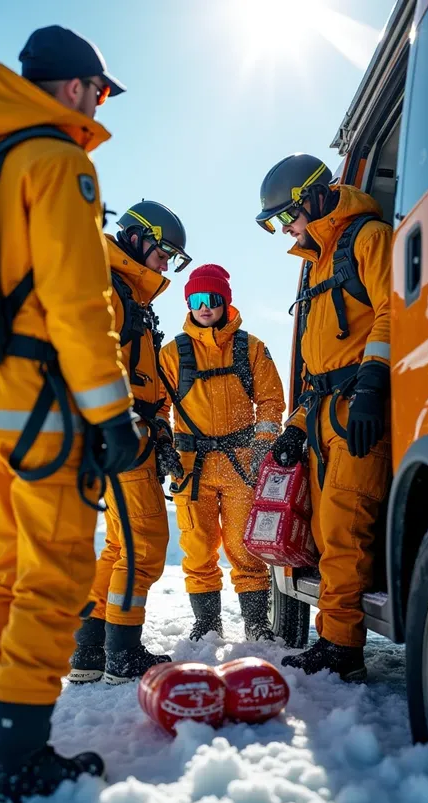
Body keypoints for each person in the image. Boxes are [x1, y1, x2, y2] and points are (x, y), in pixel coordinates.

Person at [0, 25, 140, 803]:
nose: (100, 105)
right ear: (74, 87)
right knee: (58, 575)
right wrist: (113, 412)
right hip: (42, 406)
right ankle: (17, 764)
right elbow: (77, 305)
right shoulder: (60, 163)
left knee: (11, 572)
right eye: (100, 91)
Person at [256, 153, 392, 682]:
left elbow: (391, 311)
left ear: (312, 198)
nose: (284, 229)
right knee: (320, 528)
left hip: (361, 407)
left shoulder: (369, 237)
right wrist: (293, 429)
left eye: (285, 216)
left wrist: (373, 390)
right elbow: (315, 363)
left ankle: (341, 650)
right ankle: (331, 638)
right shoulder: (317, 259)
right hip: (321, 414)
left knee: (343, 528)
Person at [69, 200, 191, 685]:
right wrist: (122, 424)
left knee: (119, 545)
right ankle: (122, 652)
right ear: (139, 240)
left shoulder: (128, 292)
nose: (167, 265)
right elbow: (93, 359)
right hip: (121, 432)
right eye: (165, 254)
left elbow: (142, 376)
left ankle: (89, 651)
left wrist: (158, 425)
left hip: (129, 431)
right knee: (145, 545)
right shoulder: (110, 287)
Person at [159, 264, 285, 641]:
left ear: (225, 302)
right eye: (196, 299)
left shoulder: (251, 348)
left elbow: (270, 400)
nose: (204, 307)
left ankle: (256, 623)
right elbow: (157, 406)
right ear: (188, 303)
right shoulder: (171, 354)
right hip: (191, 468)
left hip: (241, 465)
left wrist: (264, 443)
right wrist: (163, 444)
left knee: (245, 549)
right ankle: (207, 623)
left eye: (211, 299)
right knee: (197, 548)